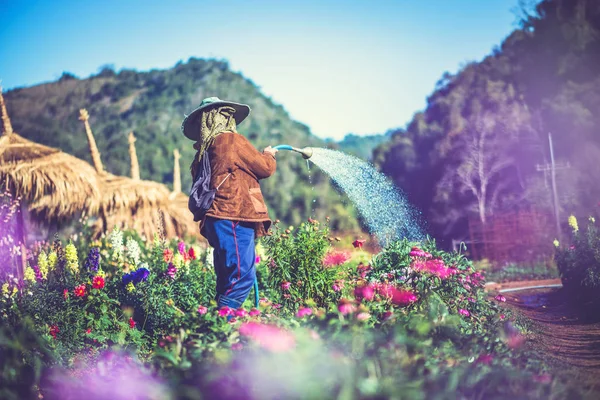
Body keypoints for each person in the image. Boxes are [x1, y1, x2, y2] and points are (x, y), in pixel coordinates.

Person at [181, 97, 277, 309]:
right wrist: (269, 155)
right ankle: (219, 324)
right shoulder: (231, 141)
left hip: (215, 220)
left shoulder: (203, 151)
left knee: (227, 277)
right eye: (227, 115)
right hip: (233, 215)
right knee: (242, 275)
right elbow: (265, 168)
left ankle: (221, 331)